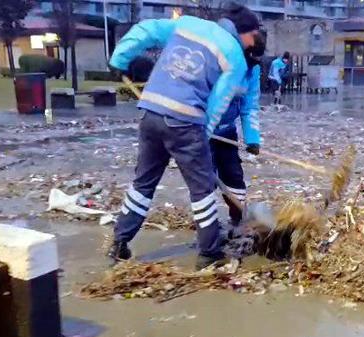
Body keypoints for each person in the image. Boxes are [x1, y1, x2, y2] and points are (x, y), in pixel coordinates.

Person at [106, 3, 265, 268]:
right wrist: (203, 137)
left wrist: (119, 59)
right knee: (202, 189)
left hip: (150, 111)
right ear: (241, 32)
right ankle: (209, 253)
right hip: (185, 121)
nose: (253, 43)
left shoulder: (188, 24)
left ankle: (119, 242)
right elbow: (217, 104)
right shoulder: (235, 57)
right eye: (253, 36)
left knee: (143, 183)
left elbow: (145, 29)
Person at [210, 46, 263, 228]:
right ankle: (207, 236)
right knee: (205, 182)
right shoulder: (217, 59)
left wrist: (252, 139)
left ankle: (238, 221)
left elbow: (250, 105)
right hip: (201, 131)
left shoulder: (253, 69)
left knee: (234, 177)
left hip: (227, 131)